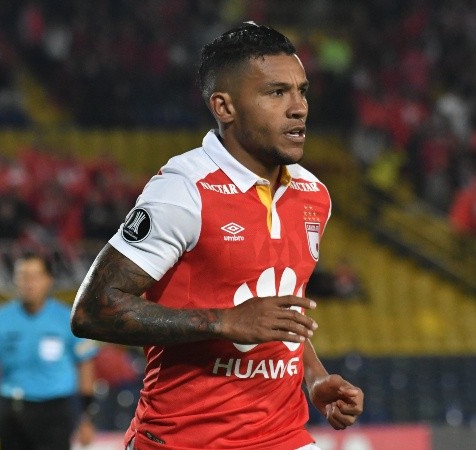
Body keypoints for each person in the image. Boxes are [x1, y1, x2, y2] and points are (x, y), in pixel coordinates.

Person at [71, 22, 364, 450]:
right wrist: (225, 322)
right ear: (224, 107)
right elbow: (92, 310)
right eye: (276, 93)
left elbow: (277, 310)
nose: (299, 108)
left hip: (282, 436)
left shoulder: (313, 194)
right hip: (183, 439)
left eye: (301, 91)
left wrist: (315, 378)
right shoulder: (183, 190)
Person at [0, 252, 98, 450]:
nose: (28, 283)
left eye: (34, 276)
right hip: (12, 411)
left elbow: (85, 365)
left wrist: (87, 416)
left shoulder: (67, 318)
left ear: (48, 280)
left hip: (54, 413)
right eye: (23, 276)